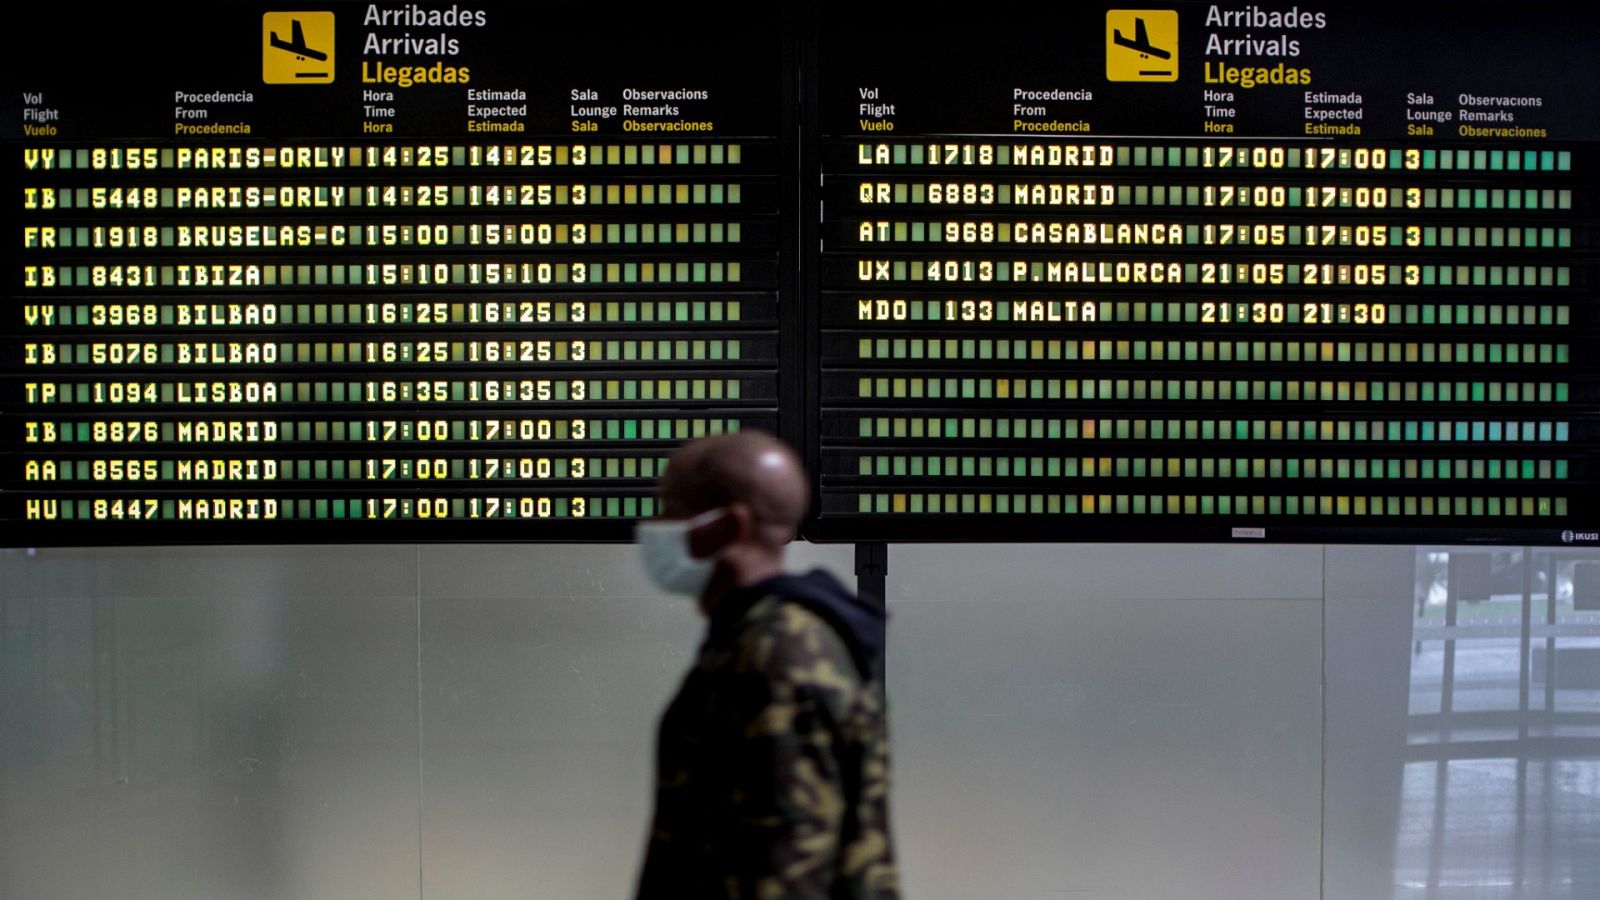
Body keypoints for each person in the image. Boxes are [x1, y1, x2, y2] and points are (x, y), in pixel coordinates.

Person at [633, 430, 900, 899]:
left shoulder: (776, 659)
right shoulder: (759, 642)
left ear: (730, 526)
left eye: (671, 510)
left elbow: (786, 863)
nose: (656, 526)